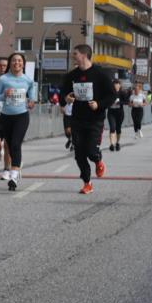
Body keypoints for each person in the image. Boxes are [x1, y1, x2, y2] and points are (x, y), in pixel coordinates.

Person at [60, 44, 116, 194]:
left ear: (84, 55)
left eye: (75, 54)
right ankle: (87, 182)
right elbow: (62, 94)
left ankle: (97, 160)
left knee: (91, 151)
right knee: (79, 154)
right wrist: (66, 98)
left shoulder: (100, 74)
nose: (73, 56)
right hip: (77, 119)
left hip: (95, 120)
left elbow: (112, 95)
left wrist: (99, 104)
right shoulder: (72, 76)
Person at [0, 53, 36, 191]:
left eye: (20, 60)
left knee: (16, 144)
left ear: (23, 63)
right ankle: (13, 170)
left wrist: (31, 102)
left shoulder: (28, 80)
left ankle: (14, 175)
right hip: (6, 116)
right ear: (10, 63)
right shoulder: (3, 79)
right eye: (14, 60)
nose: (17, 63)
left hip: (21, 116)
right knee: (9, 145)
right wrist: (4, 95)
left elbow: (32, 96)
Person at [107, 80, 126, 151]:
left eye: (117, 84)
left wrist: (120, 102)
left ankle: (117, 143)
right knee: (112, 128)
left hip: (120, 113)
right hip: (111, 113)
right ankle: (112, 144)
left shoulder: (122, 93)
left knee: (118, 128)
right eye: (114, 84)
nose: (116, 86)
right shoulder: (109, 93)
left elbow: (126, 101)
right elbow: (105, 100)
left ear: (119, 85)